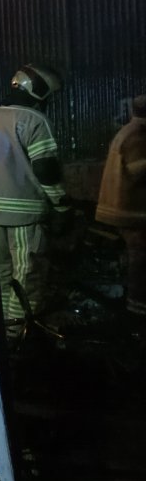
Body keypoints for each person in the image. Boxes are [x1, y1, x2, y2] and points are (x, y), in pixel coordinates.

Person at [0, 64, 72, 340]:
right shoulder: (34, 120)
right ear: (38, 91)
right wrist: (62, 206)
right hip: (25, 217)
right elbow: (46, 169)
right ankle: (19, 340)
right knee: (26, 279)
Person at [96, 94, 146, 323]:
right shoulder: (138, 135)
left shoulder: (127, 131)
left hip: (121, 208)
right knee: (140, 259)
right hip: (131, 211)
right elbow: (137, 171)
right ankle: (138, 309)